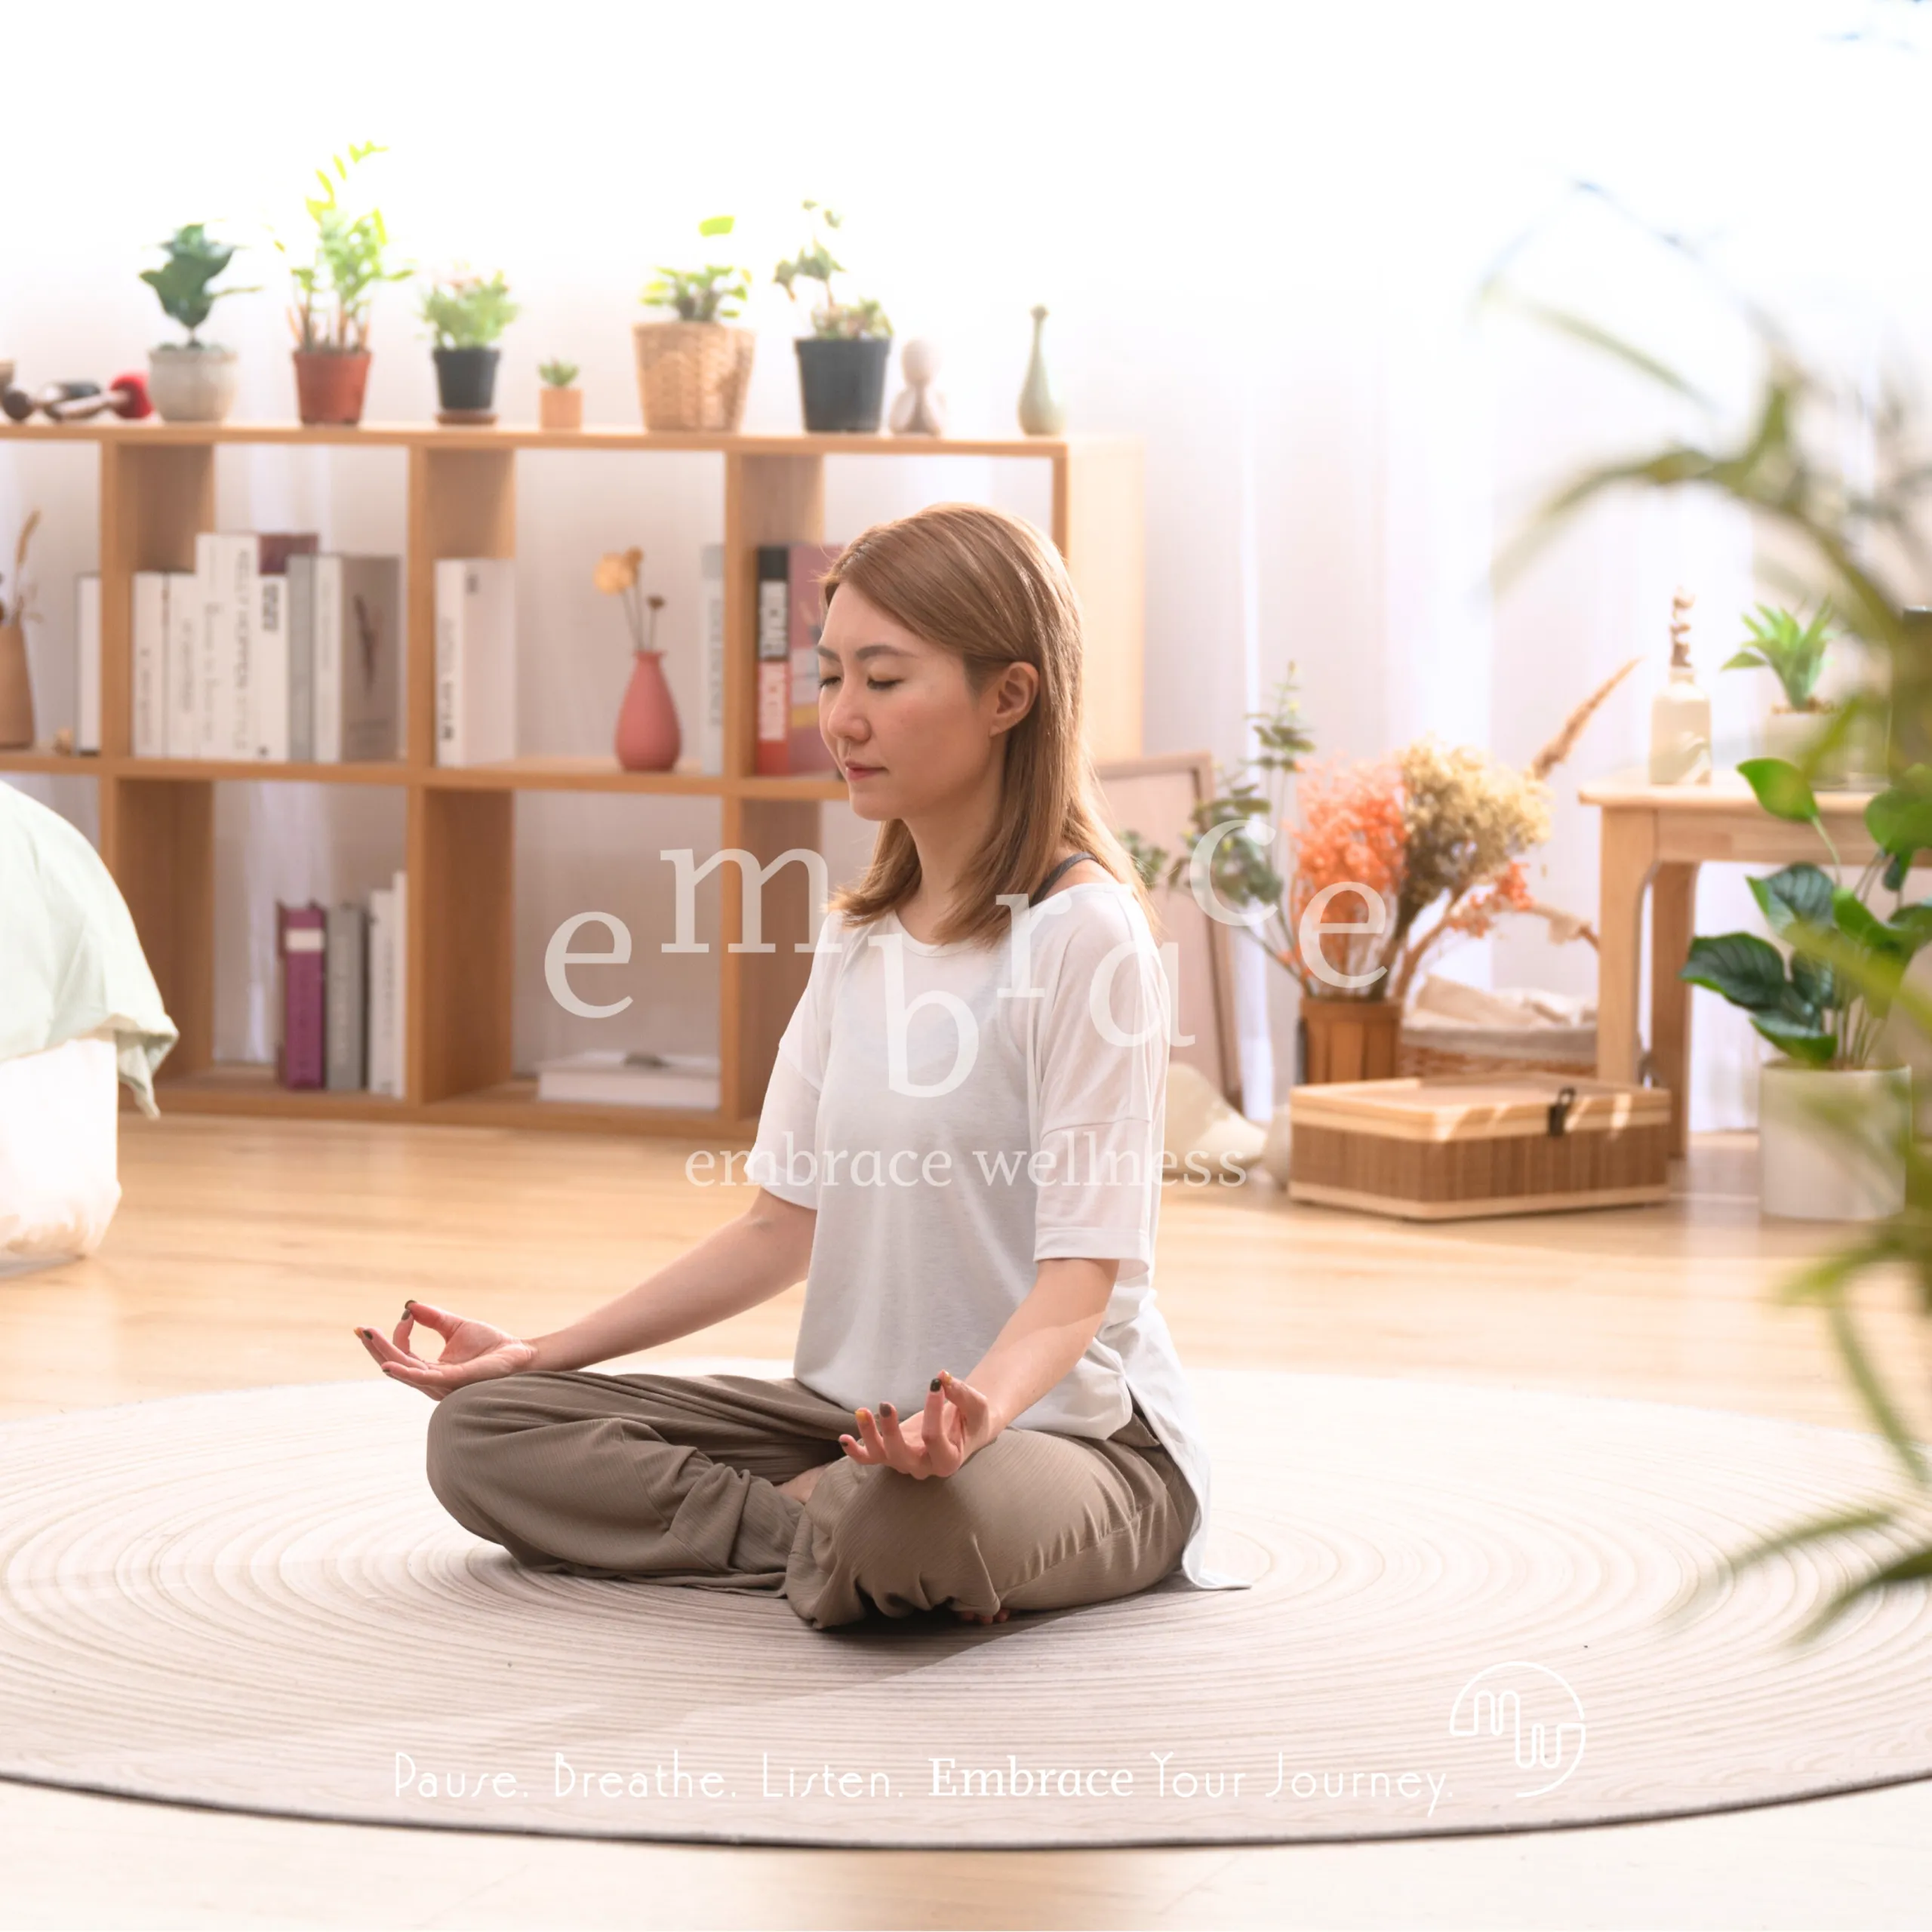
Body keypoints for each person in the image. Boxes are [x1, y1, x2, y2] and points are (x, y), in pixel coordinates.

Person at [353, 500, 1249, 1627]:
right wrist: (541, 1350)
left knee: (909, 1520)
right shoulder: (859, 937)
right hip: (845, 1421)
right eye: (830, 679)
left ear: (1009, 696)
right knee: (486, 1432)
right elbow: (782, 1228)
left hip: (1061, 1437)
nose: (843, 719)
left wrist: (969, 1421)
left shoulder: (1085, 937)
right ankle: (817, 1522)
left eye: (884, 679)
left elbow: (1083, 1285)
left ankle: (842, 1524)